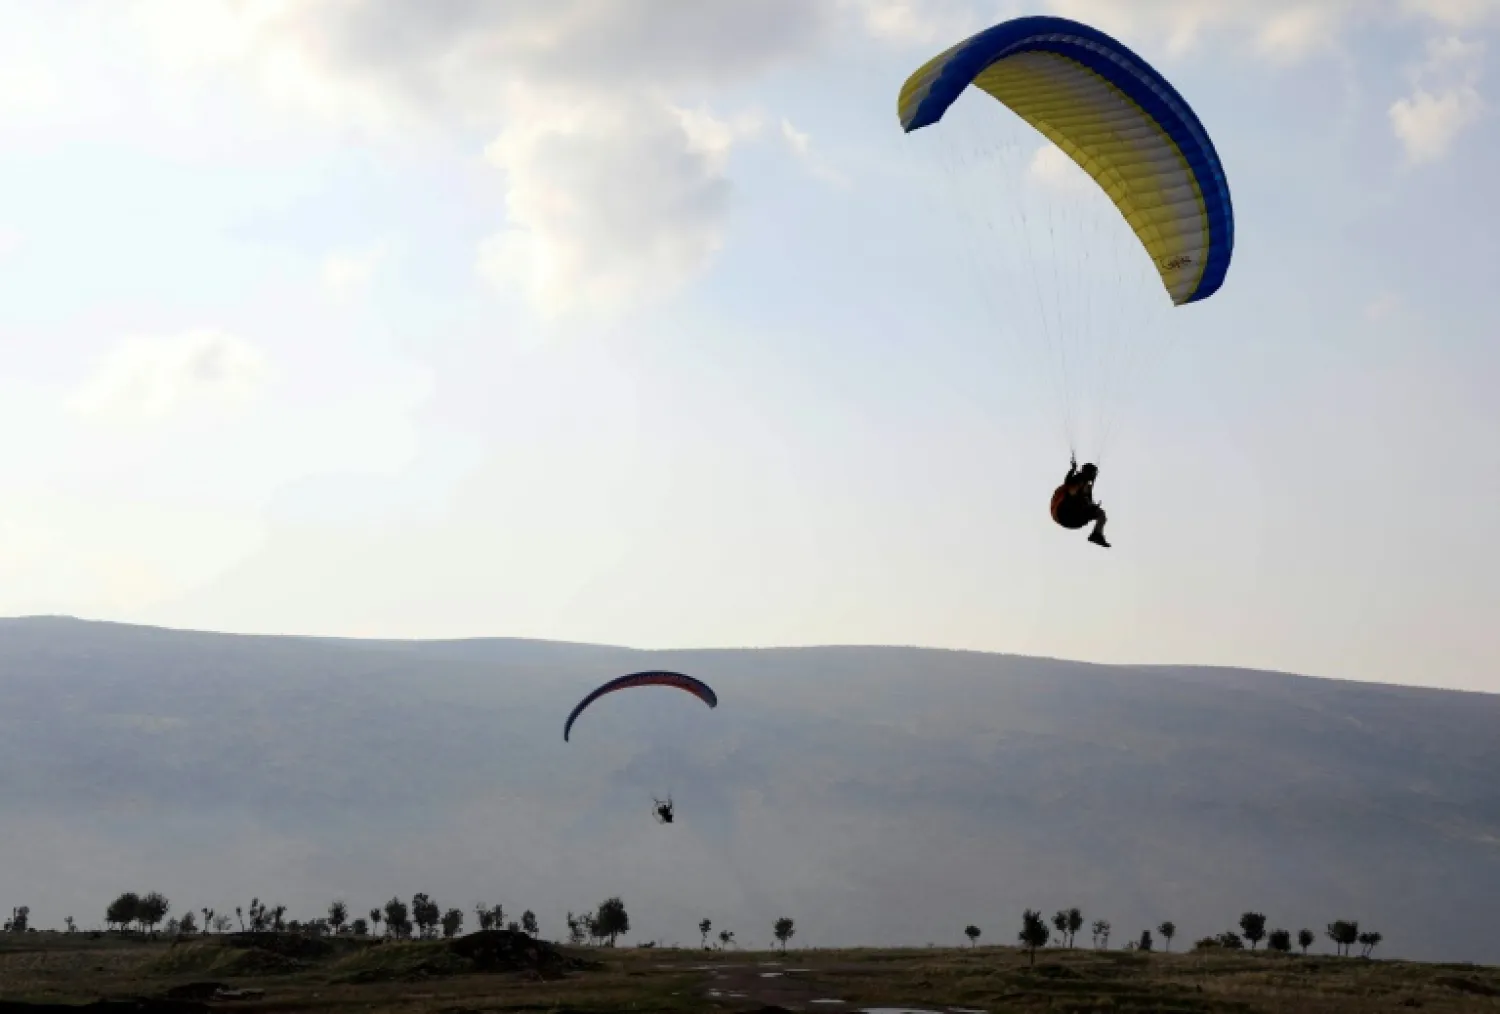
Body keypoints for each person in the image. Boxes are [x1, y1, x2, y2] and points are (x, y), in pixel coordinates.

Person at [1050, 457, 1110, 548]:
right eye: (1093, 474)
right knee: (1082, 499)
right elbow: (1069, 484)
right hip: (1062, 513)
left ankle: (1096, 534)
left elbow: (1087, 501)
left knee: (1101, 514)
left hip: (1074, 519)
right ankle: (1095, 533)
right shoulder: (1077, 481)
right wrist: (1072, 470)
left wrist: (1093, 506)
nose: (1094, 477)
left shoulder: (1087, 487)